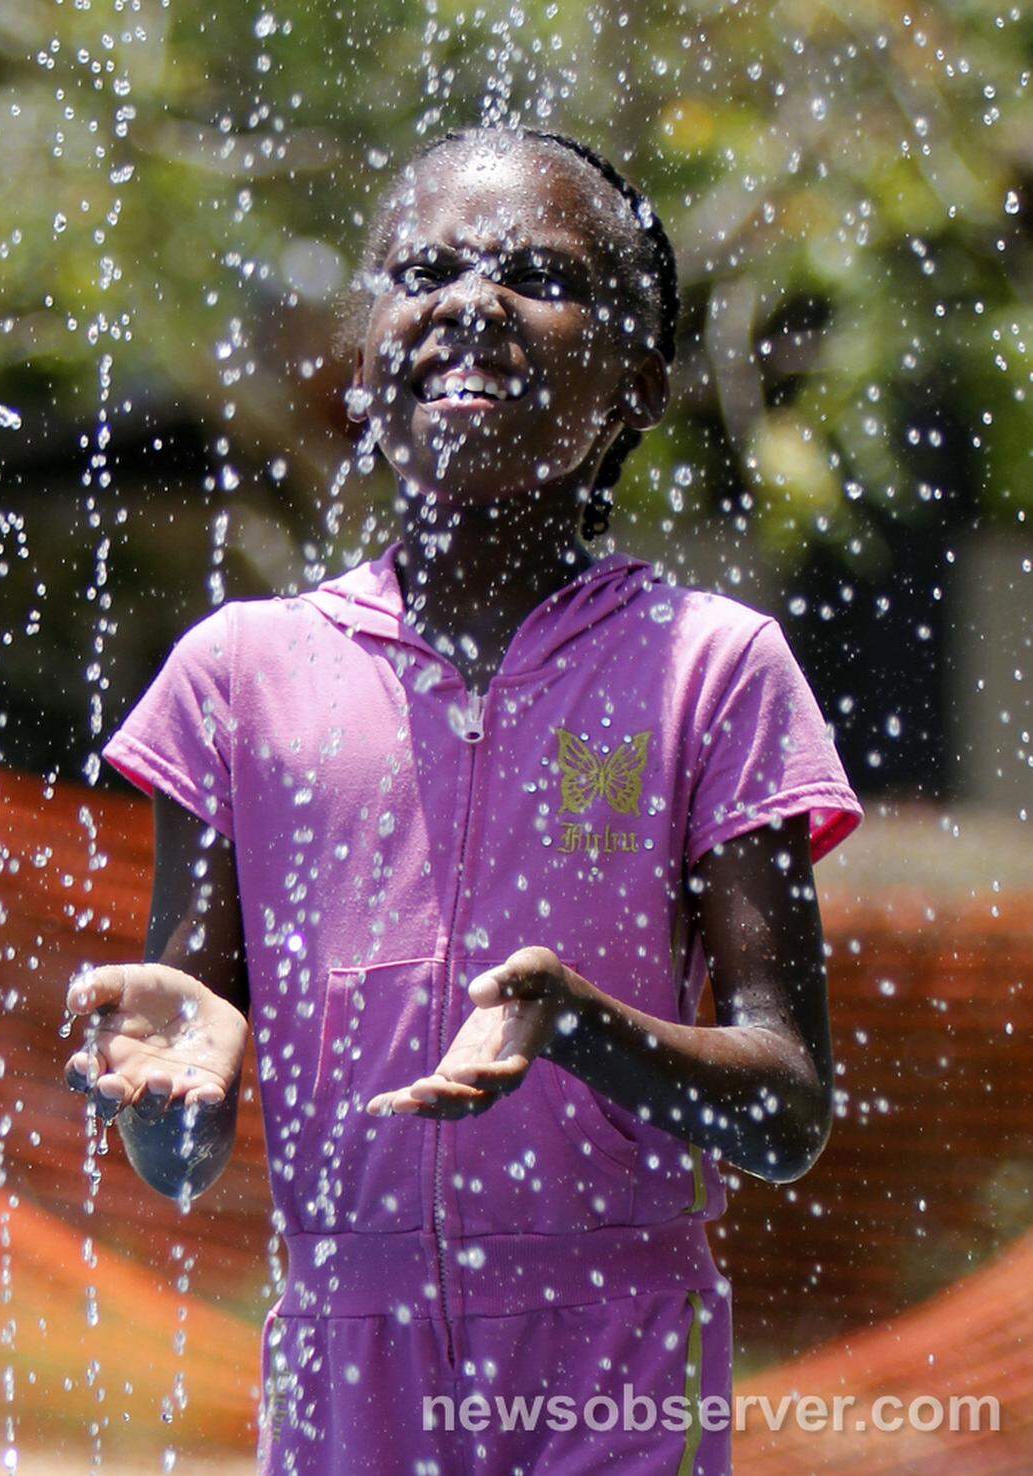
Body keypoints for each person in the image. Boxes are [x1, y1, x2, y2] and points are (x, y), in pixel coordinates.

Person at [63, 126, 863, 1475]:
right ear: (366, 350)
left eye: (539, 272)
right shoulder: (241, 677)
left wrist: (584, 1031)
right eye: (423, 266)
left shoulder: (712, 670)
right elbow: (186, 1156)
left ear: (639, 379)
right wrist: (167, 1097)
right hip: (342, 1349)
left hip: (615, 1343)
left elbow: (786, 1110)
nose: (470, 300)